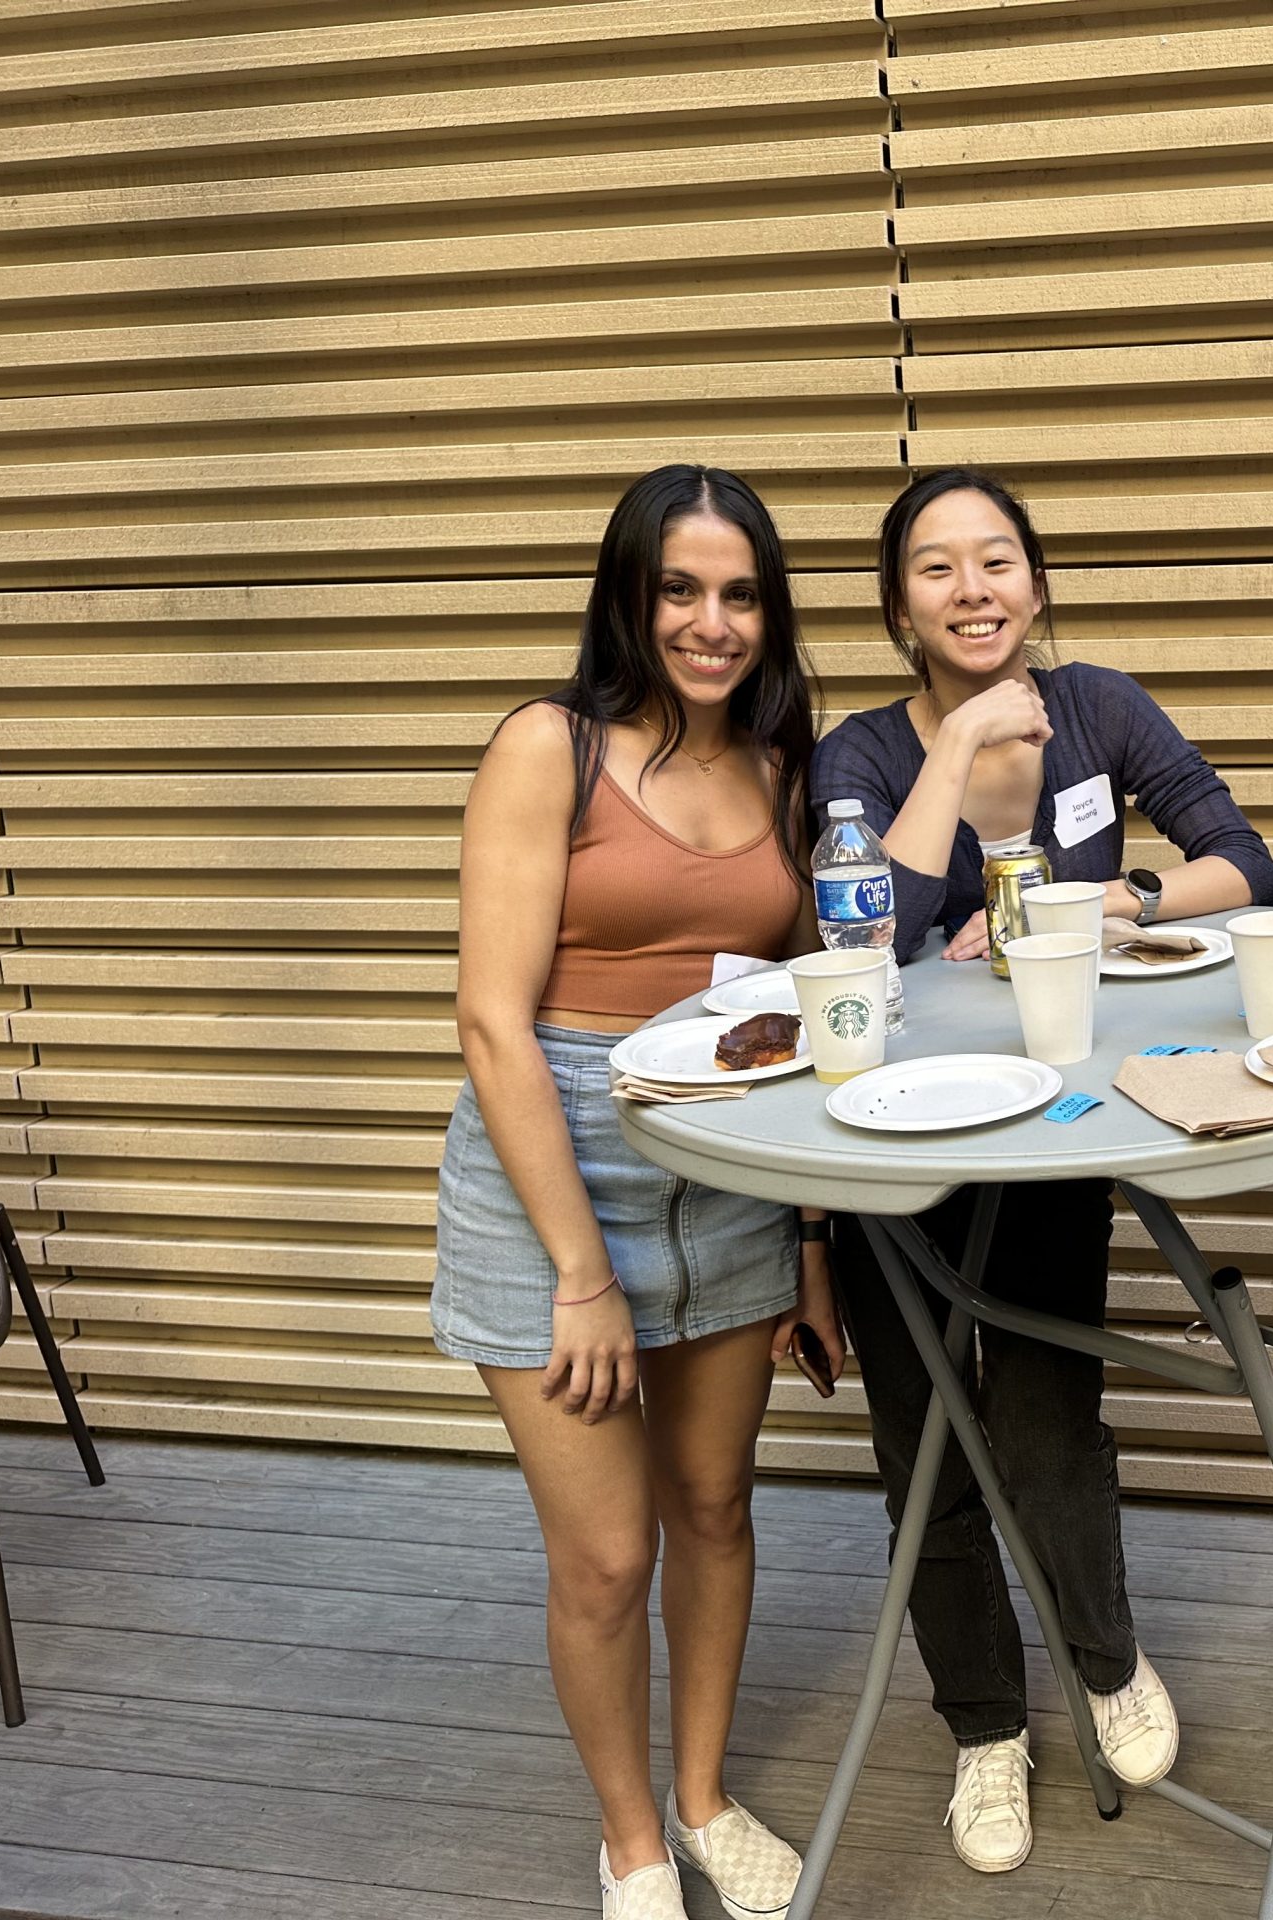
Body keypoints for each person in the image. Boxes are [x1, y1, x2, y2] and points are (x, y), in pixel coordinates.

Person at [808, 466, 1273, 1874]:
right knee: (924, 1443)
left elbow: (1242, 862)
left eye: (997, 558)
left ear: (1036, 578)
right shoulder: (863, 751)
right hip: (890, 1141)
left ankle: (1106, 1657)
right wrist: (957, 745)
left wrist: (1113, 897)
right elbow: (867, 926)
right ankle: (984, 1728)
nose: (974, 589)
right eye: (937, 567)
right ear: (899, 607)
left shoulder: (1101, 709)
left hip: (1051, 1129)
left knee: (1047, 1413)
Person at [435, 465, 845, 1920]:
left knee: (715, 1504)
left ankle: (703, 1796)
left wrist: (811, 1245)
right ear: (629, 595)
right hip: (552, 1171)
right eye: (680, 589)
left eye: (740, 594)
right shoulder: (546, 746)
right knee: (608, 1557)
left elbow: (806, 1007)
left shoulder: (785, 767)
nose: (711, 622)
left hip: (727, 1166)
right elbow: (492, 1023)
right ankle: (631, 1844)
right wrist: (581, 1271)